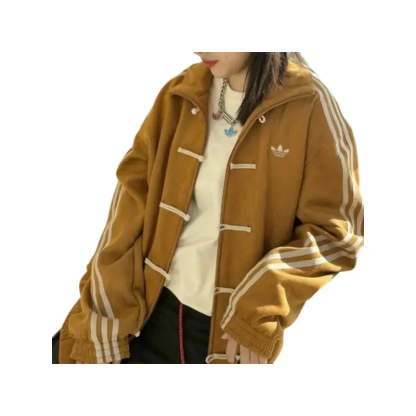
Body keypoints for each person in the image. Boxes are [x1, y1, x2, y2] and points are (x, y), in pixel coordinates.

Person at [52, 52, 364, 364]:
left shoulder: (309, 104)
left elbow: (337, 234)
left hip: (221, 335)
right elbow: (126, 214)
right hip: (140, 314)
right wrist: (104, 314)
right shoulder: (182, 93)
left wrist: (257, 309)